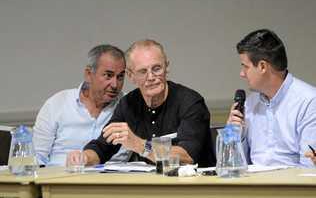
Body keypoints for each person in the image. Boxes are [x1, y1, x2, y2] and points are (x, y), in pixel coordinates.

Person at [67, 39, 215, 167]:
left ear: (167, 68)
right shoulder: (128, 104)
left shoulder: (190, 102)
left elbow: (186, 157)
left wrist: (139, 144)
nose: (151, 77)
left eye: (156, 69)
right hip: (149, 186)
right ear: (131, 76)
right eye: (143, 72)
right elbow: (102, 147)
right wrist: (84, 157)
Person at [227, 29, 316, 167]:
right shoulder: (250, 103)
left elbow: (309, 167)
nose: (242, 74)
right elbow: (232, 164)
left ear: (262, 66)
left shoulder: (309, 101)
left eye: (245, 67)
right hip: (252, 185)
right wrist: (232, 133)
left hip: (291, 186)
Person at [33, 44, 130, 166]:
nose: (115, 84)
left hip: (111, 181)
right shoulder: (57, 104)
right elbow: (37, 158)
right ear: (89, 74)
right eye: (108, 75)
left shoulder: (130, 106)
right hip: (60, 179)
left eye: (120, 77)